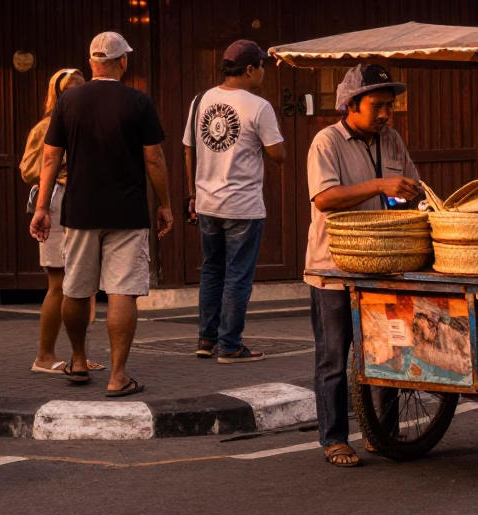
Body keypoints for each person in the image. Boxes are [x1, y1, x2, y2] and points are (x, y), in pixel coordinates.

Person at [30, 32, 173, 397]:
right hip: (127, 211)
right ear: (122, 61)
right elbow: (154, 158)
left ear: (92, 62)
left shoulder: (68, 101)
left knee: (75, 289)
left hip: (79, 210)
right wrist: (165, 204)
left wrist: (43, 206)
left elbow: (50, 157)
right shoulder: (138, 101)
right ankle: (118, 375)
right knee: (123, 291)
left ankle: (77, 360)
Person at [303, 63, 420, 468]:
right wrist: (379, 186)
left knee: (386, 354)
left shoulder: (392, 141)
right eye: (377, 105)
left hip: (383, 269)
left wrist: (410, 195)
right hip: (331, 270)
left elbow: (412, 189)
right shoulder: (326, 142)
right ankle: (334, 438)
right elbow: (325, 199)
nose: (386, 114)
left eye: (390, 105)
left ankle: (380, 433)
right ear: (350, 104)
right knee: (335, 359)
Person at [184, 40, 287, 362]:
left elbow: (189, 149)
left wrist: (192, 194)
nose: (263, 74)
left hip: (207, 203)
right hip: (243, 205)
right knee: (237, 274)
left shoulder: (200, 100)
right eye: (262, 67)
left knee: (212, 271)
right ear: (249, 69)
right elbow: (278, 155)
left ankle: (206, 339)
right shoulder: (258, 106)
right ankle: (230, 345)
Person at [20, 67, 105, 376]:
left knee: (82, 283)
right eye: (70, 88)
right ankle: (44, 355)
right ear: (56, 93)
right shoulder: (46, 126)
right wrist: (64, 164)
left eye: (82, 87)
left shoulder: (88, 124)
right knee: (58, 282)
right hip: (57, 203)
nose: (77, 93)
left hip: (83, 202)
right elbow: (29, 169)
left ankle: (78, 355)